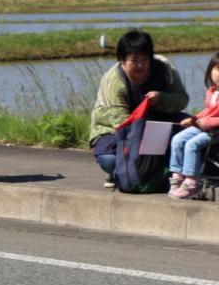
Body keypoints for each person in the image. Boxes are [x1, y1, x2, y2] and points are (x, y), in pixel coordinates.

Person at [88, 30, 190, 188]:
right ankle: (123, 173)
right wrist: (150, 143)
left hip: (159, 123)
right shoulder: (114, 80)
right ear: (122, 60)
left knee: (192, 128)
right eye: (134, 60)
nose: (140, 65)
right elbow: (121, 123)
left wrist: (161, 98)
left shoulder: (164, 68)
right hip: (115, 131)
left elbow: (182, 100)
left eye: (145, 59)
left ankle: (168, 171)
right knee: (110, 160)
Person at [167, 53, 219, 199]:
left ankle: (191, 181)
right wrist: (193, 119)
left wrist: (208, 122)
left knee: (192, 144)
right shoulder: (212, 91)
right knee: (177, 139)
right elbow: (208, 110)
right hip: (206, 127)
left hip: (216, 131)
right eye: (218, 69)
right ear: (210, 70)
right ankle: (177, 175)